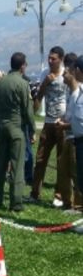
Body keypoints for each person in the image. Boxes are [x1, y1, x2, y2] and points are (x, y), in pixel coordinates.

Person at [0, 52, 34, 212]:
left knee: (0, 165)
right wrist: (32, 129)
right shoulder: (22, 84)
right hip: (17, 129)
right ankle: (15, 202)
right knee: (17, 166)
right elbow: (27, 110)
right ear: (23, 66)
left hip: (2, 128)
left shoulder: (0, 83)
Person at [29, 46, 67, 204]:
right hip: (48, 122)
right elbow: (36, 103)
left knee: (61, 161)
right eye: (49, 58)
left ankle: (58, 195)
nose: (50, 61)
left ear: (61, 59)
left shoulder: (67, 74)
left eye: (54, 59)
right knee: (40, 159)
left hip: (62, 123)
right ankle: (35, 193)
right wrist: (45, 83)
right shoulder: (45, 74)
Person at [57, 53, 82, 211]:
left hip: (77, 138)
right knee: (66, 170)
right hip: (73, 137)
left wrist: (66, 126)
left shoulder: (78, 91)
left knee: (77, 174)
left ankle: (79, 206)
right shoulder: (76, 93)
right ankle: (70, 204)